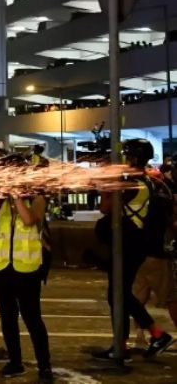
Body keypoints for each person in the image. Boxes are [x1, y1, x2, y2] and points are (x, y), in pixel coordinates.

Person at [93, 138, 175, 361]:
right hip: (134, 243)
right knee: (119, 294)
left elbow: (105, 208)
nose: (124, 159)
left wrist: (107, 185)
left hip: (130, 244)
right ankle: (135, 340)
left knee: (117, 293)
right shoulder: (146, 180)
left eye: (127, 155)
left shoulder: (133, 183)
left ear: (134, 158)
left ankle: (146, 338)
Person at [0, 156, 53, 383]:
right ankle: (15, 362)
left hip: (27, 269)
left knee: (32, 318)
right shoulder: (0, 199)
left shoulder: (37, 196)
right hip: (0, 268)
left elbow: (30, 219)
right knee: (7, 318)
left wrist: (16, 194)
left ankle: (44, 367)